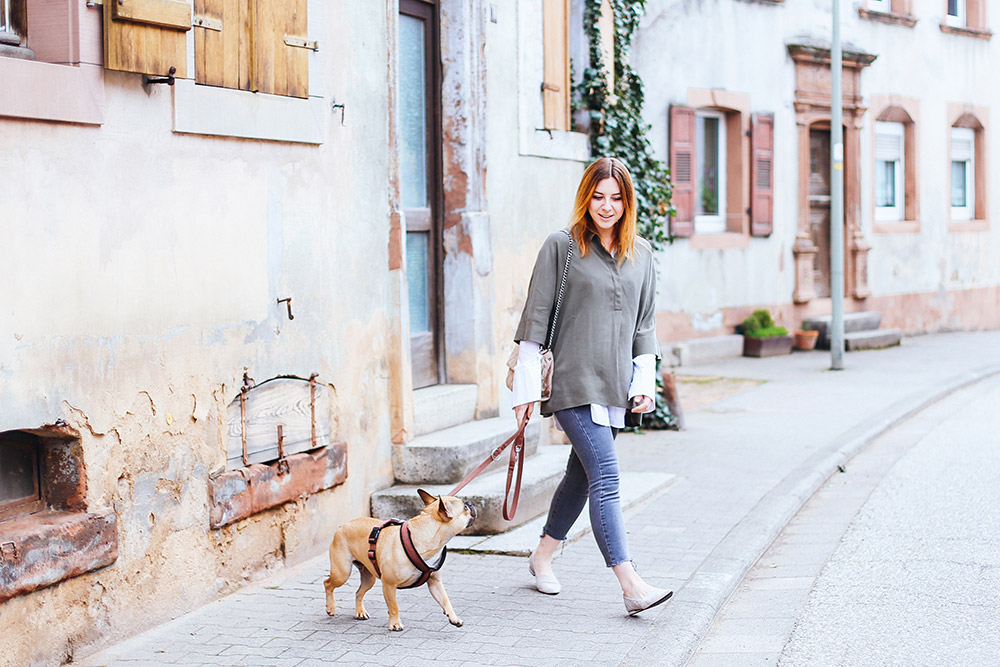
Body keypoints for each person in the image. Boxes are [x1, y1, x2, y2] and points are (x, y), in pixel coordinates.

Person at [510, 157, 672, 615]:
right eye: (598, 196)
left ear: (627, 202)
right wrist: (524, 393)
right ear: (586, 197)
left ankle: (541, 557)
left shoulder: (642, 255)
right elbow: (535, 318)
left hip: (615, 385)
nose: (606, 206)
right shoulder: (562, 247)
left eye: (616, 198)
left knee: (579, 477)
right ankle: (630, 583)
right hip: (572, 381)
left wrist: (644, 384)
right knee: (606, 475)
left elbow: (645, 326)